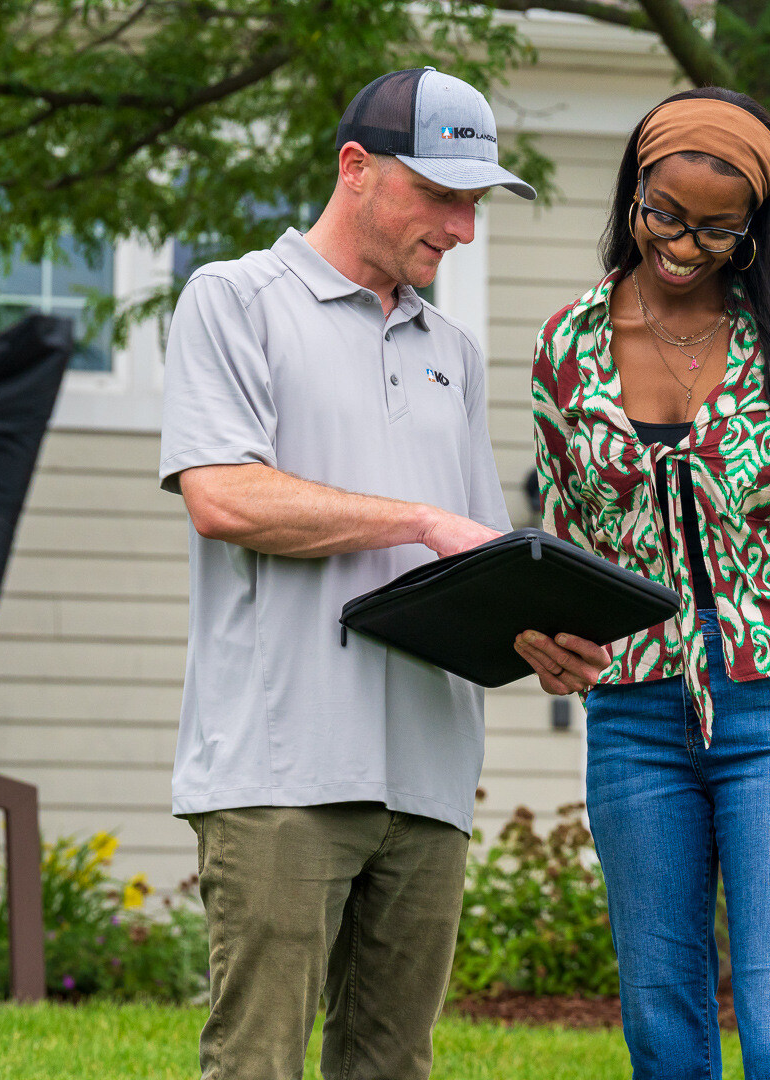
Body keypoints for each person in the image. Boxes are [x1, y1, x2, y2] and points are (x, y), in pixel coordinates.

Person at [159, 67, 606, 1080]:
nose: (463, 227)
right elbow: (225, 497)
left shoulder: (451, 348)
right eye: (441, 195)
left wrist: (540, 637)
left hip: (429, 776)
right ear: (355, 169)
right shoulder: (233, 302)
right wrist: (413, 518)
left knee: (392, 1066)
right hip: (283, 770)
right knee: (256, 1064)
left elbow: (475, 560)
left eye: (476, 201)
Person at [523, 88, 770, 1080]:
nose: (683, 243)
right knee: (662, 1020)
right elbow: (568, 530)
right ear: (633, 195)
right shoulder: (569, 347)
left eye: (717, 229)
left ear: (754, 231)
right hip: (637, 710)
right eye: (664, 215)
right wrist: (551, 637)